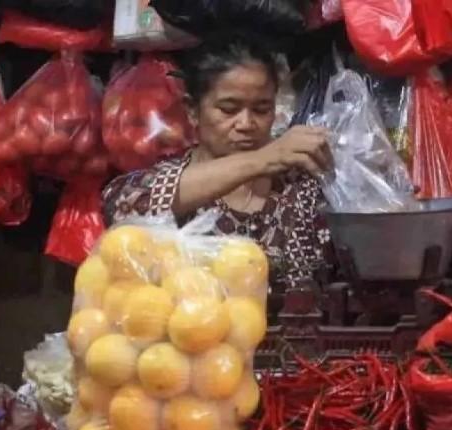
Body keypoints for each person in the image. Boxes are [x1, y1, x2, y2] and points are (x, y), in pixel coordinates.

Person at [101, 33, 333, 288]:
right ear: (192, 111)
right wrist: (264, 159)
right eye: (229, 109)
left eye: (261, 109)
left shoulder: (299, 189)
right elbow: (122, 205)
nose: (246, 124)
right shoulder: (171, 181)